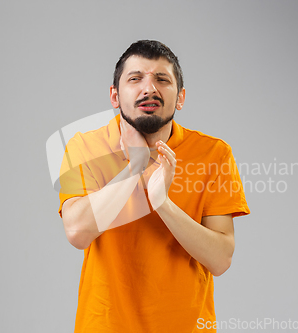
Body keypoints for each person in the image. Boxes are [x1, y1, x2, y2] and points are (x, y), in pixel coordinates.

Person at [58, 40, 250, 332]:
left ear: (181, 97)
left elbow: (220, 259)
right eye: (135, 79)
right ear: (114, 95)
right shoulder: (85, 146)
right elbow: (77, 232)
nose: (149, 88)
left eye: (162, 79)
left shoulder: (214, 154)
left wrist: (163, 204)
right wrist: (134, 167)